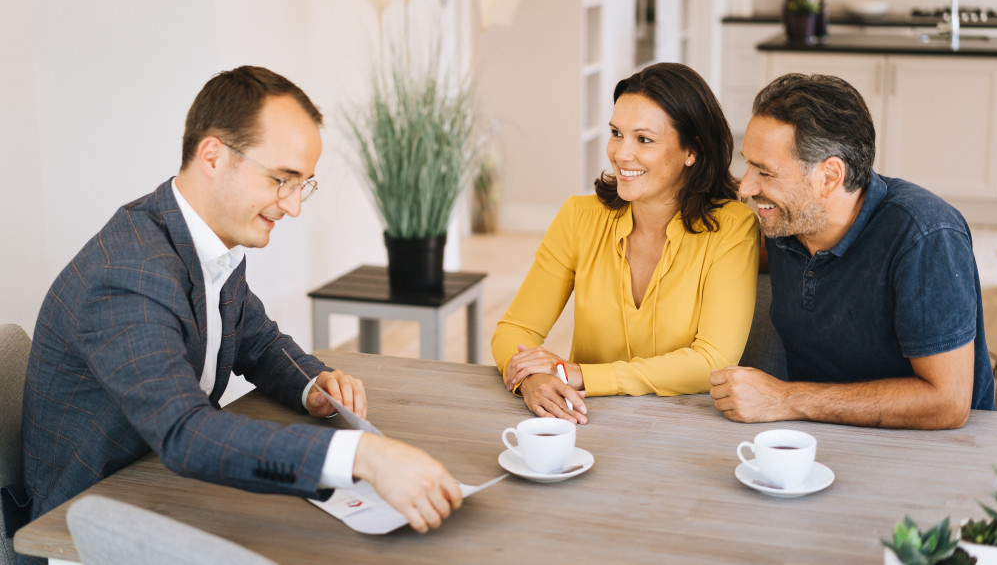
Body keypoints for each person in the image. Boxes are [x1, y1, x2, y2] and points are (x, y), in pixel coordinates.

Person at [19, 67, 462, 544]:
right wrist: (360, 455)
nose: (292, 206)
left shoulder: (207, 242)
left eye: (302, 184)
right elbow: (185, 433)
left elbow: (258, 340)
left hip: (163, 487)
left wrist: (313, 384)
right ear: (212, 155)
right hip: (83, 527)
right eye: (280, 179)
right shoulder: (129, 273)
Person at [709, 73, 995, 429]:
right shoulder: (786, 225)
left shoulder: (925, 237)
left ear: (829, 177)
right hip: (815, 438)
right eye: (748, 163)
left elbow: (947, 403)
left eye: (765, 173)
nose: (746, 187)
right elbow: (725, 255)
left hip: (937, 449)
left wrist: (784, 398)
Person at [492, 63, 759, 424]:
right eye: (616, 133)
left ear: (691, 151)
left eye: (643, 139)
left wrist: (583, 374)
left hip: (687, 427)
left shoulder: (732, 227)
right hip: (585, 419)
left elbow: (713, 360)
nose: (620, 153)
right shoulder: (579, 217)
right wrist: (533, 379)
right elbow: (515, 329)